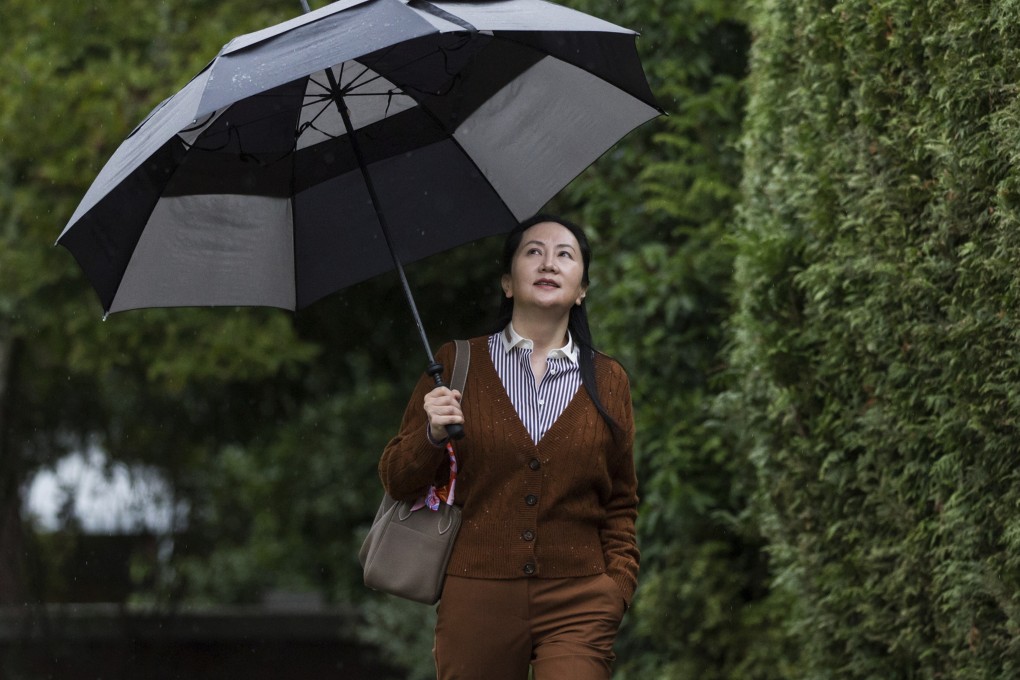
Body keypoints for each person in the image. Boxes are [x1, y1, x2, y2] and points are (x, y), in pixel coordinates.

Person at [378, 214, 639, 680]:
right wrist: (431, 436)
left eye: (565, 254)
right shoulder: (456, 364)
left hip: (579, 598)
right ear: (507, 282)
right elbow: (399, 479)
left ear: (581, 289)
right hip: (476, 594)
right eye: (533, 251)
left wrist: (615, 586)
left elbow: (620, 500)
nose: (549, 262)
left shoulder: (609, 380)